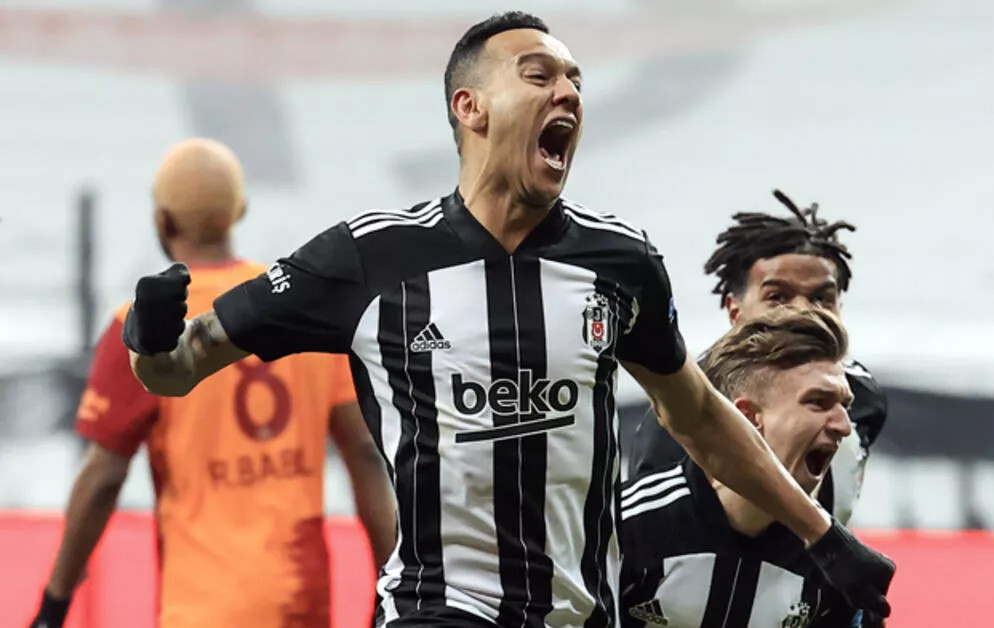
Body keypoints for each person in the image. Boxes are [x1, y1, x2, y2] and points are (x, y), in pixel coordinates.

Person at [118, 13, 894, 628]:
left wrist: (821, 535)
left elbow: (696, 414)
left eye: (577, 81)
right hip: (434, 610)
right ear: (472, 107)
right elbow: (179, 368)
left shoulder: (621, 263)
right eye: (540, 75)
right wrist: (149, 342)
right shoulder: (367, 257)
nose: (569, 93)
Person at [28, 138, 397, 628]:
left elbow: (103, 479)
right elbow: (366, 455)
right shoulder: (298, 305)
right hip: (299, 602)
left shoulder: (138, 331)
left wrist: (53, 606)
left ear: (163, 221)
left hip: (201, 609)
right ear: (239, 211)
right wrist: (392, 590)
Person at [628, 190, 888, 525]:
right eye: (777, 296)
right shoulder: (684, 403)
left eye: (822, 298)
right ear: (734, 310)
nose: (802, 312)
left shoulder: (861, 396)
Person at [621, 306, 876, 628]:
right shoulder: (625, 527)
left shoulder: (835, 565)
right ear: (748, 417)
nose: (844, 426)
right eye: (818, 402)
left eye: (845, 406)